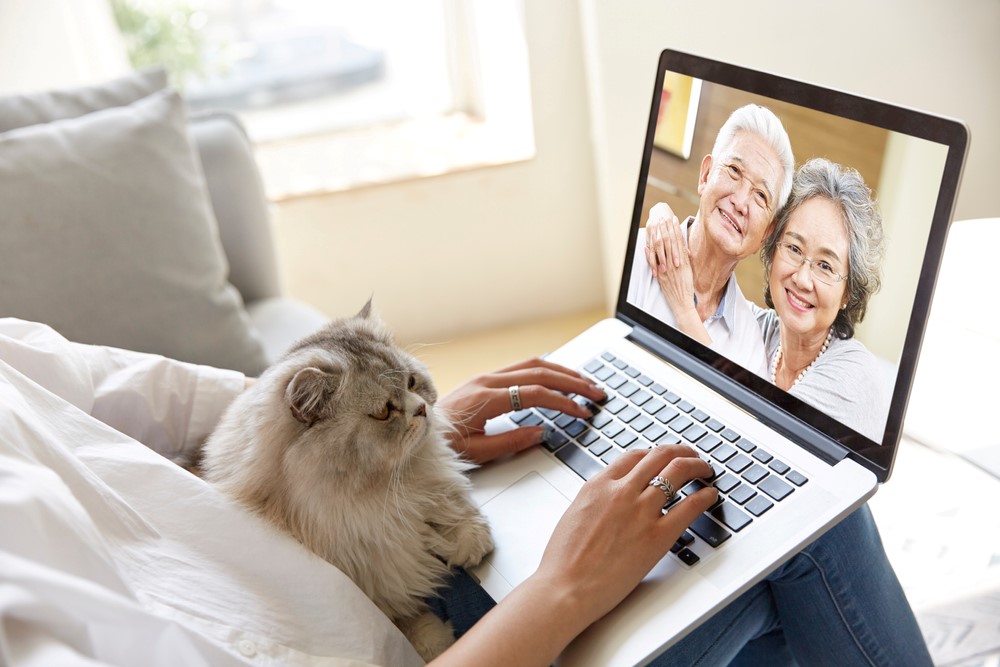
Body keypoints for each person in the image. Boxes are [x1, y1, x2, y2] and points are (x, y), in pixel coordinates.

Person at [0, 318, 930, 666]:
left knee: (755, 578)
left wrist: (403, 433)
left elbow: (137, 393)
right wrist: (560, 591)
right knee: (809, 527)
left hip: (367, 580)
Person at [647, 157, 890, 441]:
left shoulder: (856, 376)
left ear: (848, 292)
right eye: (794, 249)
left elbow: (753, 435)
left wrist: (684, 311)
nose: (802, 278)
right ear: (772, 247)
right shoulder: (756, 329)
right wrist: (662, 217)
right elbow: (704, 298)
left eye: (825, 265)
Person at [626, 104, 795, 376]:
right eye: (734, 170)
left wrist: (683, 309)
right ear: (705, 175)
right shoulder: (636, 257)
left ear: (766, 234)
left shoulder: (750, 346)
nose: (740, 202)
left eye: (761, 196)